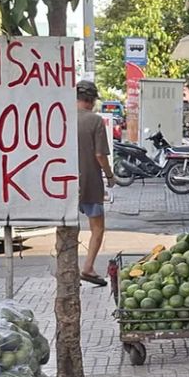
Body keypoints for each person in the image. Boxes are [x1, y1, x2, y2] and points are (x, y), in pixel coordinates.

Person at [76, 79, 115, 287]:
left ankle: (69, 271)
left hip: (64, 186)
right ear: (91, 100)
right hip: (90, 183)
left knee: (67, 229)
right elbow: (100, 155)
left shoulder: (61, 118)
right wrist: (110, 175)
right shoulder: (96, 121)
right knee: (97, 228)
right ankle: (88, 267)